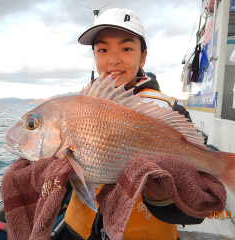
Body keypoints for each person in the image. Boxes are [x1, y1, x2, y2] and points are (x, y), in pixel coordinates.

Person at [63, 8, 219, 240]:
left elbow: (199, 208)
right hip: (79, 233)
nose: (113, 59)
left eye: (126, 48)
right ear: (94, 56)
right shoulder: (72, 111)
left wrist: (165, 200)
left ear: (143, 56)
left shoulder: (169, 110)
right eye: (103, 49)